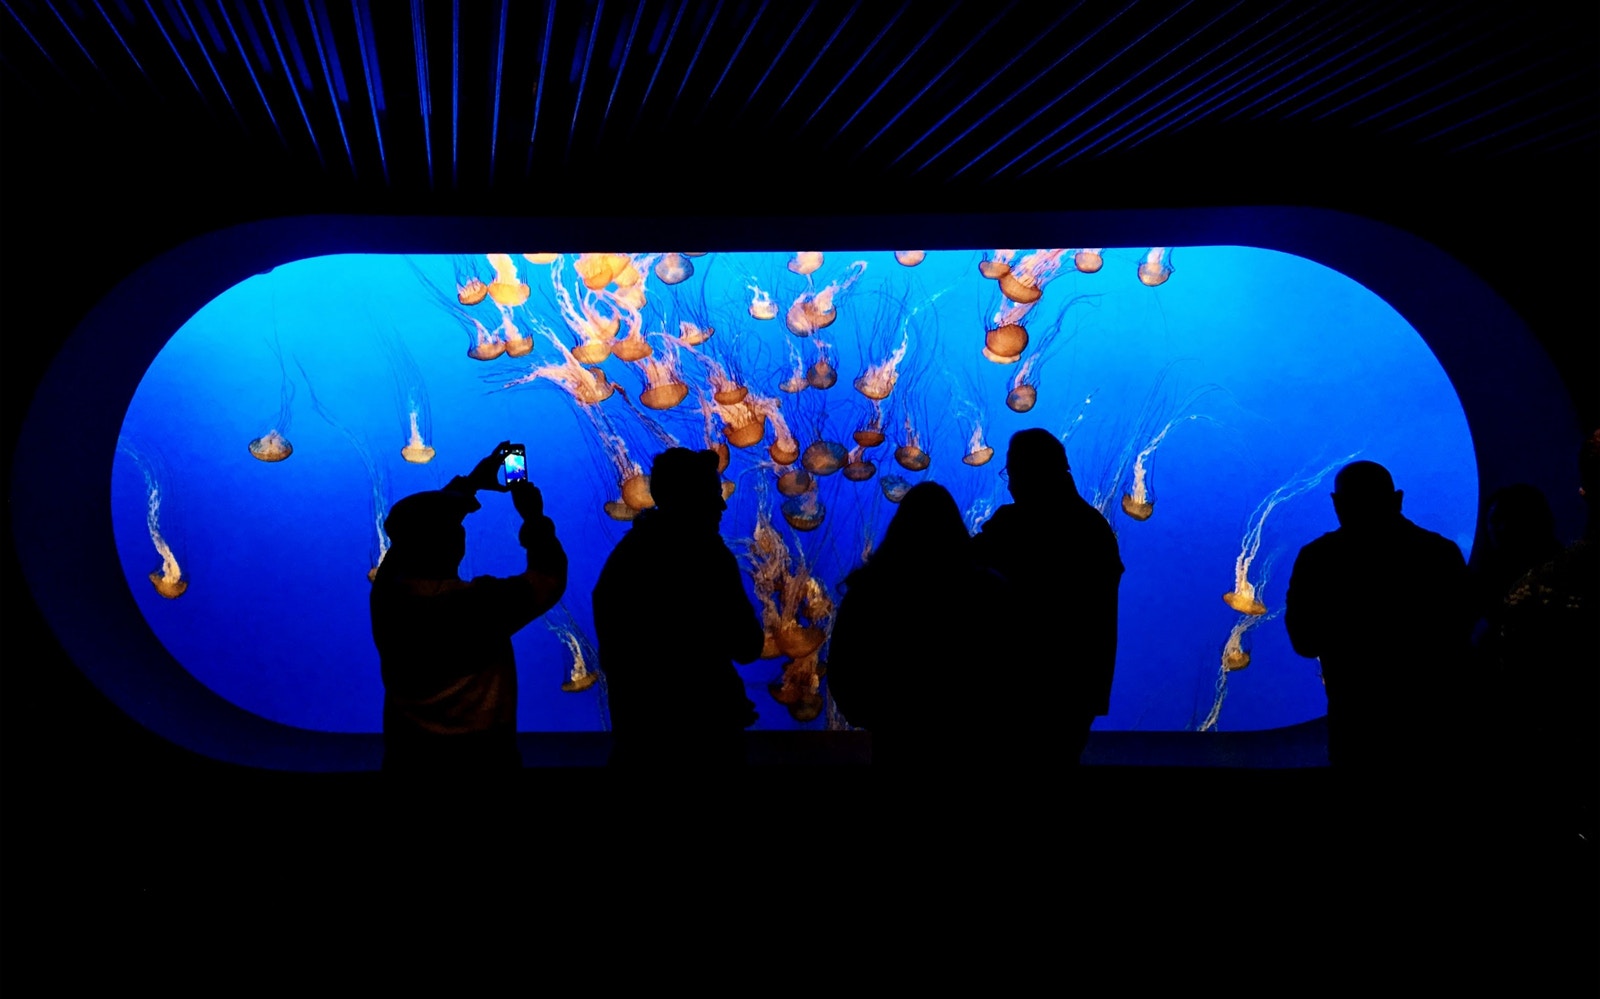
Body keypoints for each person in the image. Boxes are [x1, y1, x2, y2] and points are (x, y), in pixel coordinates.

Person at [370, 441, 568, 774]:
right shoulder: (477, 605)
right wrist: (533, 515)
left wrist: (471, 482)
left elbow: (409, 542)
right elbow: (549, 578)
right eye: (456, 530)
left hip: (409, 760)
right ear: (455, 545)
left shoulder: (387, 597)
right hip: (483, 761)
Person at [1283, 460, 1472, 780]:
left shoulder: (1317, 559)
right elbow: (1460, 636)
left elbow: (1304, 642)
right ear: (1397, 498)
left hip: (1355, 728)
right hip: (1432, 727)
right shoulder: (1440, 554)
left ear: (1337, 504)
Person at [592, 447, 764, 768]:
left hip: (639, 739)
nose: (722, 504)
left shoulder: (624, 558)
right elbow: (747, 646)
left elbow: (618, 653)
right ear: (692, 497)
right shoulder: (708, 557)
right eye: (713, 493)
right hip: (703, 740)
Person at [826, 482, 1010, 766]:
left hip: (897, 741)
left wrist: (877, 717)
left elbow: (843, 669)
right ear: (955, 526)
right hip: (972, 742)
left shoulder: (870, 592)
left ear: (900, 527)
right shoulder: (987, 590)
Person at [970, 429, 1124, 767]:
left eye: (1012, 473)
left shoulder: (1013, 526)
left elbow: (959, 570)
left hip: (1019, 691)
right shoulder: (1094, 528)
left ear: (1030, 471)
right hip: (1077, 694)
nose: (1009, 484)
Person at [1491, 429, 1598, 841]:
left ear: (1584, 492)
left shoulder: (1534, 593)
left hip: (1561, 784)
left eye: (1505, 522)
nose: (1499, 531)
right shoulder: (1530, 589)